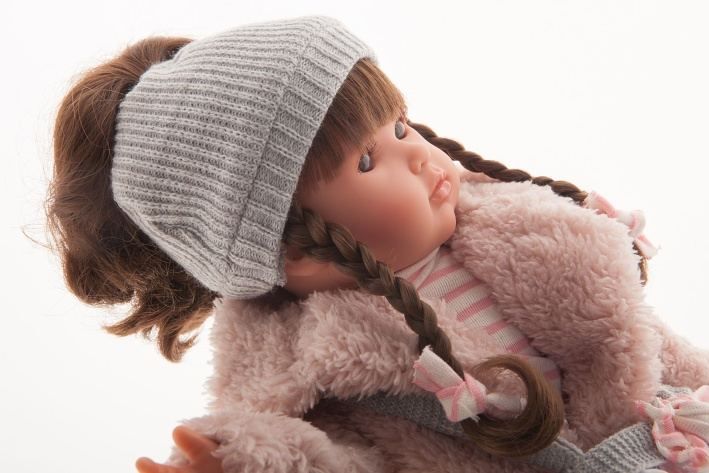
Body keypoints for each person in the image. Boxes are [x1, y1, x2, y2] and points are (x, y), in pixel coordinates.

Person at [45, 15, 709, 473]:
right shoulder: (320, 366)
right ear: (294, 252)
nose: (416, 154)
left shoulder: (528, 232)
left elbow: (646, 351)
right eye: (367, 161)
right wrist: (240, 460)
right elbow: (333, 459)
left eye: (399, 125)